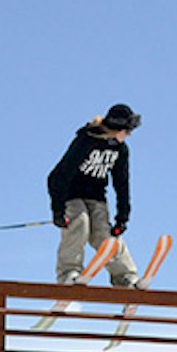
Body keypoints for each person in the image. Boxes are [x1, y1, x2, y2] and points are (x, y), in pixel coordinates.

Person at [46, 104, 143, 286]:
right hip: (72, 194)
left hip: (97, 196)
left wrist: (122, 217)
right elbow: (57, 176)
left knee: (104, 234)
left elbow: (121, 183)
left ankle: (125, 277)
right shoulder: (86, 141)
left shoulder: (120, 150)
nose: (129, 135)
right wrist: (57, 210)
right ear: (116, 128)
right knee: (80, 224)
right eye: (127, 131)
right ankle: (69, 272)